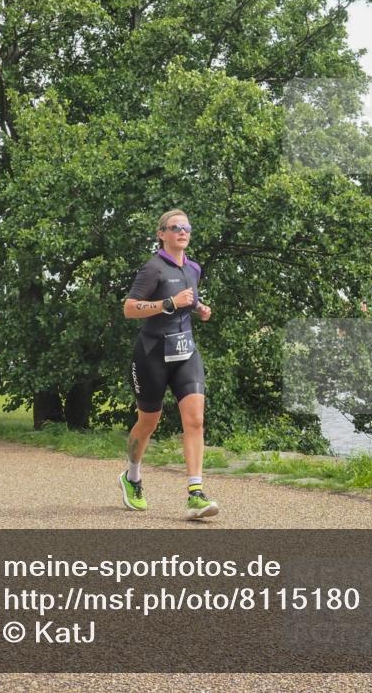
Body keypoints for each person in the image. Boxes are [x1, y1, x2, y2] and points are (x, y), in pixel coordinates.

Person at [120, 209, 217, 520]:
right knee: (148, 422)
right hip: (152, 354)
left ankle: (196, 494)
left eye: (186, 227)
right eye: (175, 227)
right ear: (161, 234)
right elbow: (130, 309)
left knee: (195, 420)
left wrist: (199, 308)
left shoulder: (194, 268)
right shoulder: (153, 269)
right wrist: (167, 304)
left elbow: (189, 300)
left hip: (186, 351)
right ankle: (132, 477)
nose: (182, 231)